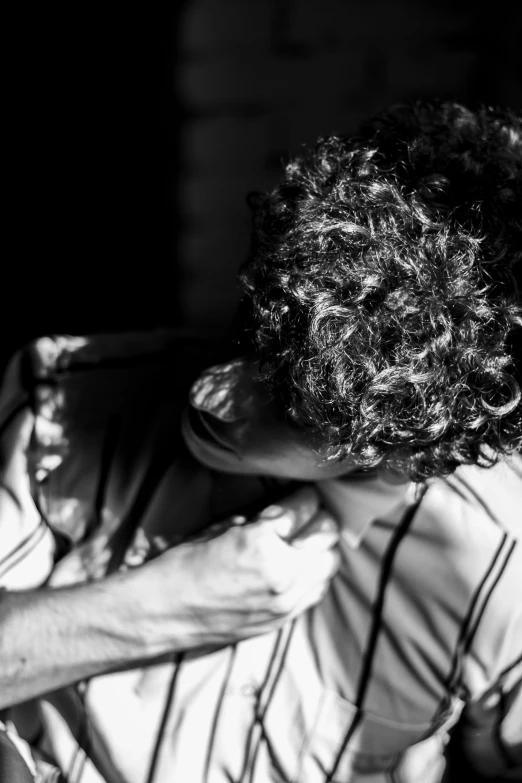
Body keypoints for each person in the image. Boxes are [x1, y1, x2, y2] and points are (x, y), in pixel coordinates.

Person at [1, 99, 521, 782]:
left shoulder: (497, 559)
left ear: (398, 454)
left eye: (289, 405)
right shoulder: (62, 393)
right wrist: (152, 609)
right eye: (253, 334)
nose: (218, 389)